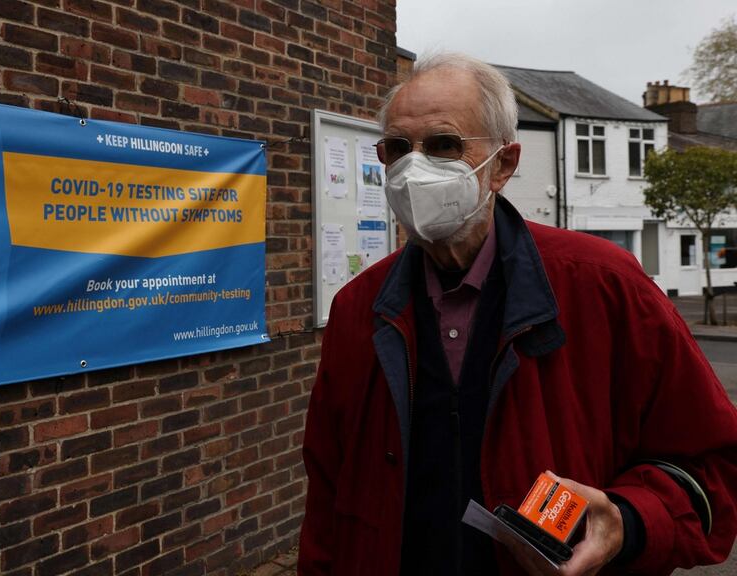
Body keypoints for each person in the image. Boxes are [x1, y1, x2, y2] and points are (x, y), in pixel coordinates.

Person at [298, 52, 737, 575]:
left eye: (444, 145)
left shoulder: (606, 286)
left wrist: (627, 520)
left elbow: (713, 468)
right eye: (397, 149)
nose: (412, 169)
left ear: (503, 164)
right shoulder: (357, 308)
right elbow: (327, 492)